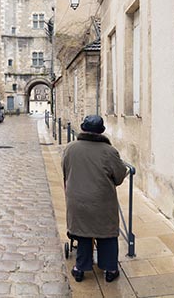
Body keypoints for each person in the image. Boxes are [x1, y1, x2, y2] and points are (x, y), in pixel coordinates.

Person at [61, 115, 128, 283]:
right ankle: (110, 268)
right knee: (106, 233)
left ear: (83, 129)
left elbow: (65, 171)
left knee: (83, 232)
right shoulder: (109, 151)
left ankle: (80, 268)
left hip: (77, 201)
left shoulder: (70, 148)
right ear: (101, 132)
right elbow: (119, 177)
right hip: (102, 201)